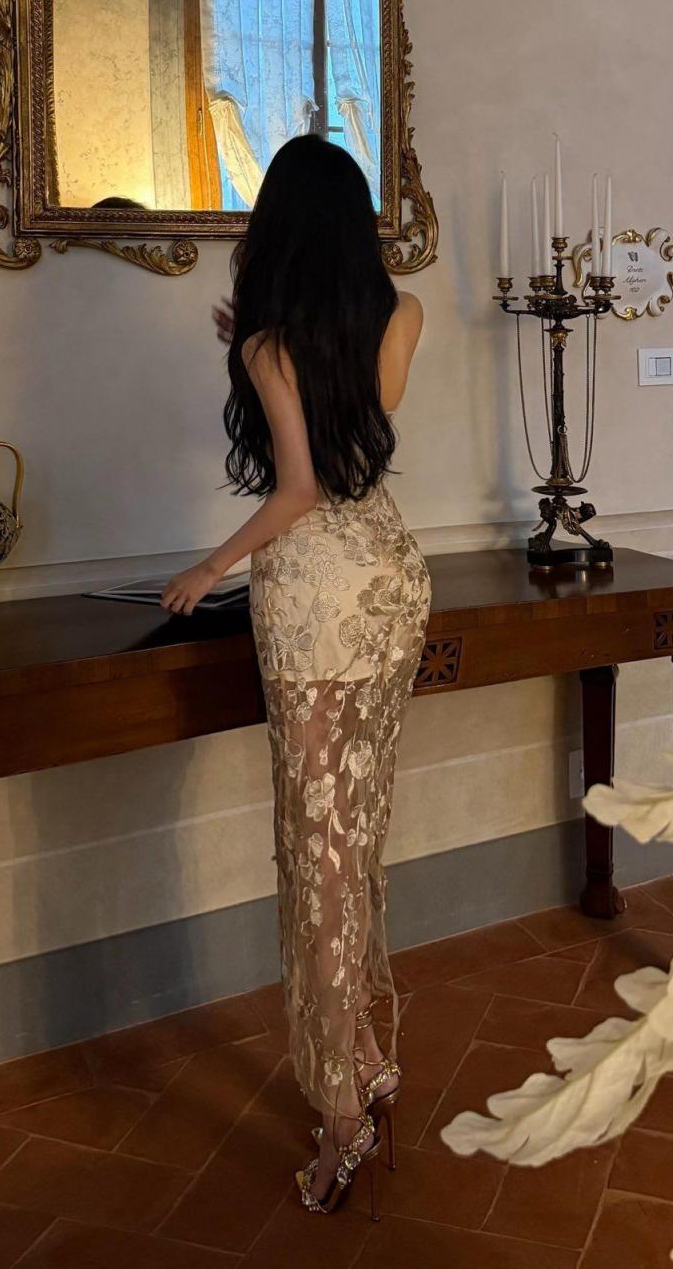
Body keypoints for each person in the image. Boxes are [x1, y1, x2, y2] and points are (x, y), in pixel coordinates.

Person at [162, 135, 429, 1219]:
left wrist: (208, 567)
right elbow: (358, 413)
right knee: (353, 839)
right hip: (393, 587)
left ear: (277, 229)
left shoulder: (273, 344)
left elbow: (301, 487)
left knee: (315, 856)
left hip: (316, 602)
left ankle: (341, 1116)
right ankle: (362, 1053)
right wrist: (255, 348)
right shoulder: (402, 313)